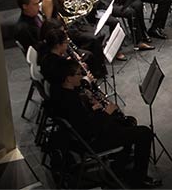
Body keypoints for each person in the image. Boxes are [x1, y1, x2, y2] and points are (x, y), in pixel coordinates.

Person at [49, 59, 162, 188]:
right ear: (68, 78)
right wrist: (106, 113)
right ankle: (138, 179)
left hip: (82, 136)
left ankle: (119, 164)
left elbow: (79, 119)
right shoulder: (70, 101)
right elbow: (88, 129)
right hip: (90, 142)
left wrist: (93, 107)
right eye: (78, 74)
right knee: (144, 133)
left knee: (128, 122)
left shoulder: (61, 91)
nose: (81, 76)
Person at [40, 0, 108, 76]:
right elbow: (48, 23)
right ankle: (97, 71)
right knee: (93, 38)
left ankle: (97, 66)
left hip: (73, 24)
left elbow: (75, 8)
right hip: (63, 31)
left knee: (96, 33)